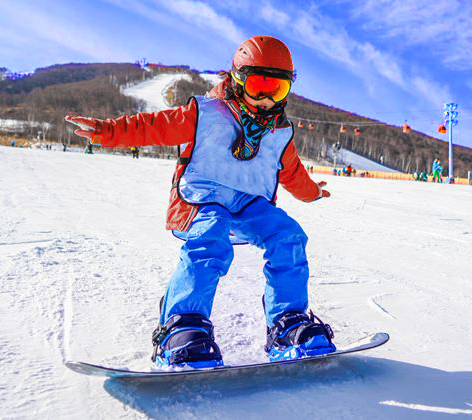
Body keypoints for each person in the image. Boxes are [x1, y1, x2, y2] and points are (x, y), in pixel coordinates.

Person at [66, 36, 336, 369]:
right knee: (210, 238)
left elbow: (291, 171)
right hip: (204, 197)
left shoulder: (280, 132)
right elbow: (153, 127)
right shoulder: (205, 113)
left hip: (250, 203)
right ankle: (183, 325)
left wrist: (312, 192)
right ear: (237, 80)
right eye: (258, 86)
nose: (266, 99)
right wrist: (107, 131)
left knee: (288, 235)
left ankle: (288, 324)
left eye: (277, 90)